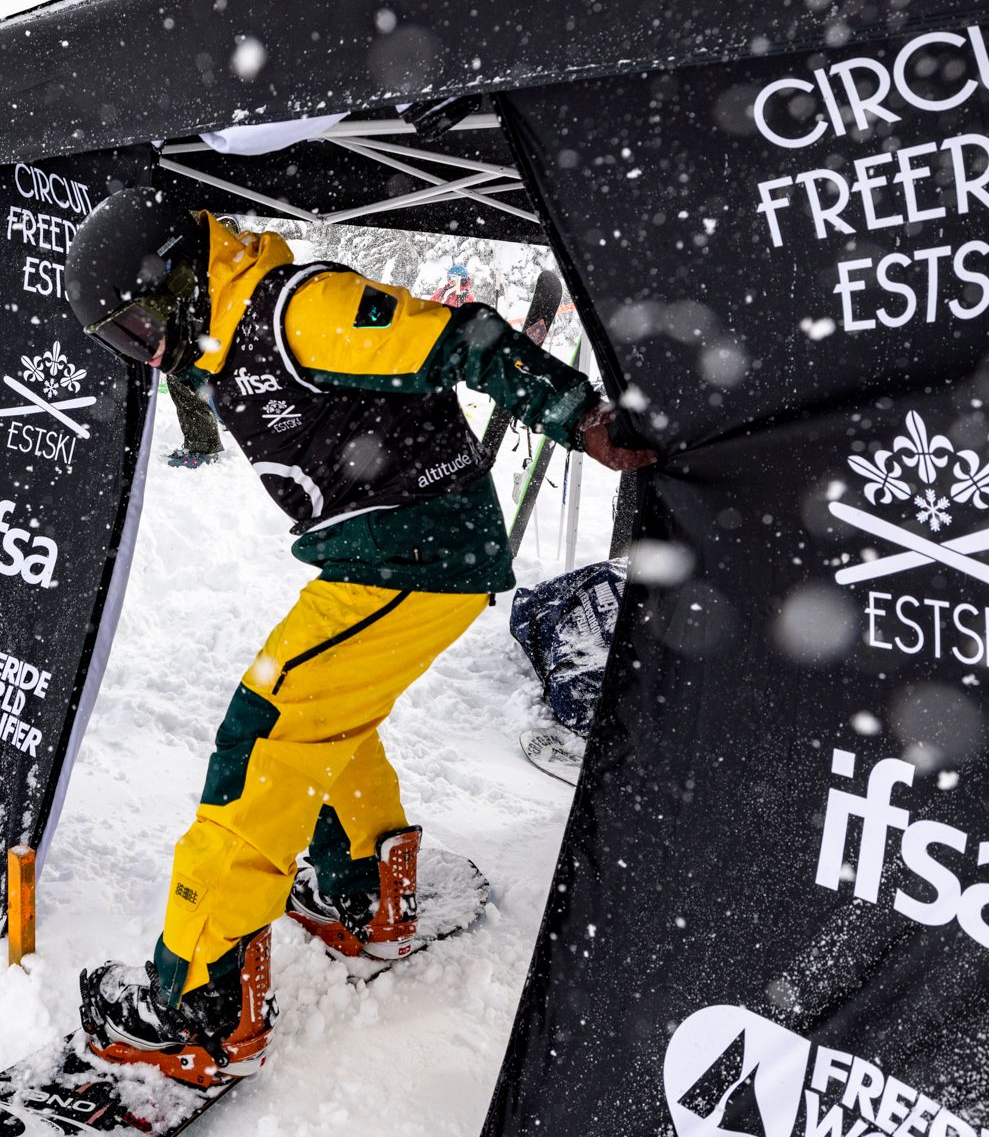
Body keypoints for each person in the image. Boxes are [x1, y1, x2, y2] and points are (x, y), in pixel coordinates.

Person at [63, 187, 655, 1086]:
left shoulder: (298, 309)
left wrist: (578, 417)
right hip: (390, 558)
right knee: (323, 714)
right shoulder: (226, 332)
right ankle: (364, 889)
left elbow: (462, 338)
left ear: (178, 279)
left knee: (263, 734)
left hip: (411, 556)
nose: (147, 353)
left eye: (141, 326)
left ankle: (197, 1005)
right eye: (124, 342)